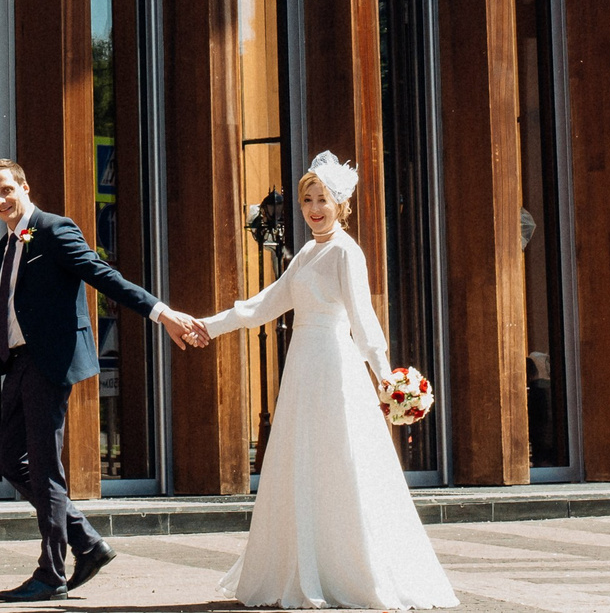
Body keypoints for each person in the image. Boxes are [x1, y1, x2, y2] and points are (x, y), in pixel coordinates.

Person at [193, 152, 458, 610]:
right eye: (307, 200)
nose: (314, 208)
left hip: (335, 369)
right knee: (301, 461)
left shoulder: (344, 252)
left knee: (342, 462)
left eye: (322, 199)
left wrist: (387, 379)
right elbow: (263, 304)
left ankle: (350, 570)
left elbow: (364, 319)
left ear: (341, 204)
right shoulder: (307, 254)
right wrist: (207, 326)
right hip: (303, 369)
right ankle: (303, 564)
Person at [0, 157, 209, 603]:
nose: (1, 200)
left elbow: (104, 276)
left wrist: (161, 313)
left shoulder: (54, 229)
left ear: (25, 187)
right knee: (12, 462)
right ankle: (87, 543)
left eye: (7, 190)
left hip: (49, 363)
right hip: (18, 364)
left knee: (46, 467)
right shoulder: (6, 244)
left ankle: (51, 573)